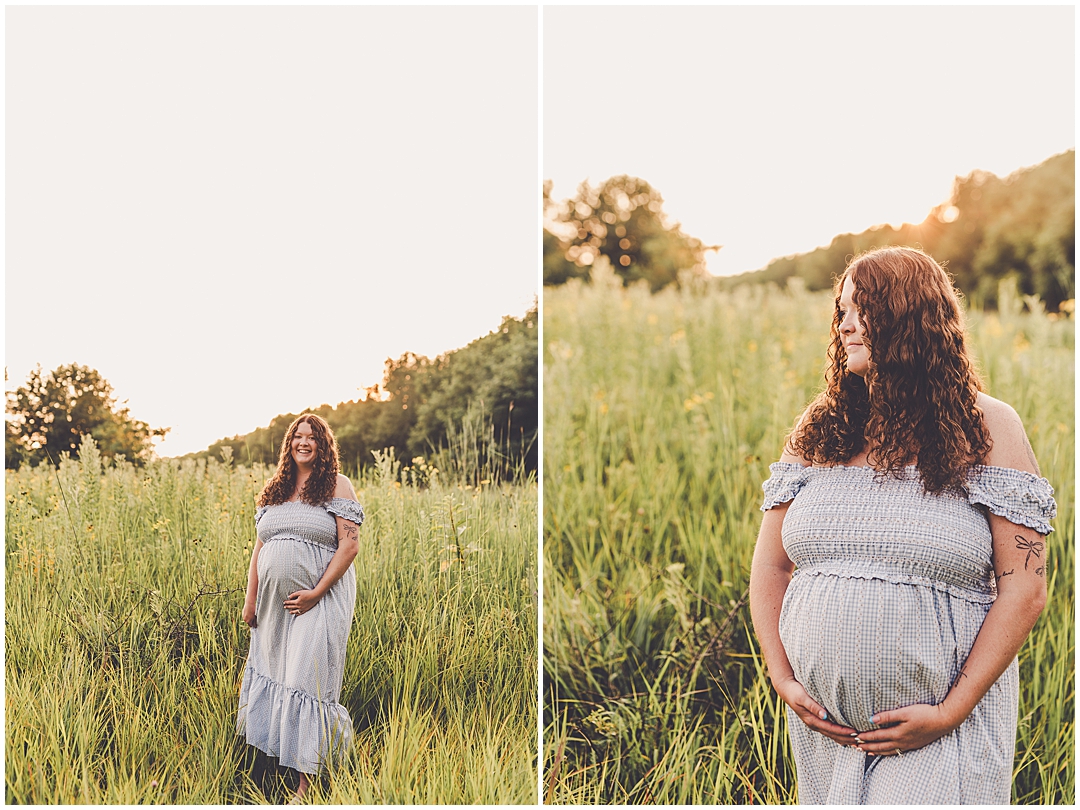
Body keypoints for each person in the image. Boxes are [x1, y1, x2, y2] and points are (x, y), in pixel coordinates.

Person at [749, 246, 1056, 804]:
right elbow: (771, 565)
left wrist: (950, 711)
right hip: (825, 733)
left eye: (861, 309)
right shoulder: (820, 428)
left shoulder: (987, 426)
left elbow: (1025, 587)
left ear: (910, 317)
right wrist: (783, 677)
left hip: (941, 731)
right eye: (841, 311)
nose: (844, 325)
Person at [237, 414, 364, 802]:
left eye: (312, 437)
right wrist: (251, 599)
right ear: (288, 444)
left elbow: (349, 546)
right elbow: (260, 547)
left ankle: (306, 787)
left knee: (307, 683)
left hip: (320, 600)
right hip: (273, 607)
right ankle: (272, 767)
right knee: (277, 675)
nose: (303, 442)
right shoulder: (275, 488)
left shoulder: (337, 485)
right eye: (297, 436)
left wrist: (315, 592)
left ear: (324, 445)